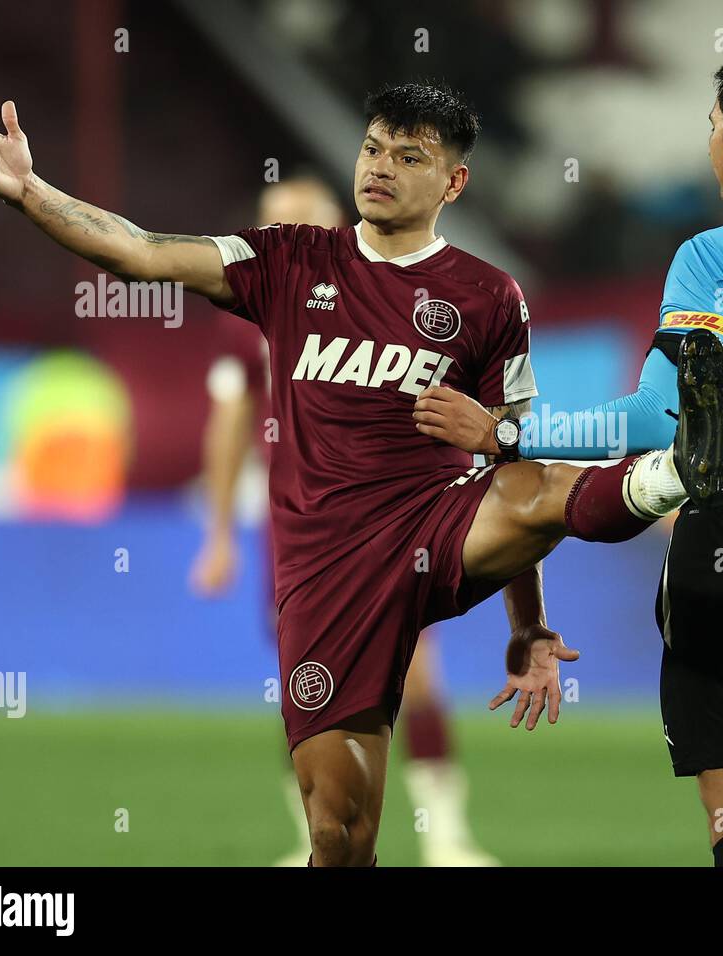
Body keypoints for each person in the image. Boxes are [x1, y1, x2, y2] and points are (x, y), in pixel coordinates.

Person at [0, 82, 723, 866]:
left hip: (436, 529)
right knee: (339, 829)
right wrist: (31, 192)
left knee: (528, 482)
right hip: (326, 570)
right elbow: (141, 250)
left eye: (409, 156)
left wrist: (526, 624)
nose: (381, 168)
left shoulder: (490, 296)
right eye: (372, 149)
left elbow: (515, 453)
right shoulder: (290, 260)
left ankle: (673, 470)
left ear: (454, 182)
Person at [414, 50, 723, 867]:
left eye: (716, 128)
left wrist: (506, 434)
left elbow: (656, 418)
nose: (712, 145)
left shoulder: (713, 259)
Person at [190, 175, 499, 867]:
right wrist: (217, 535)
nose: (283, 236)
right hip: (301, 527)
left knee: (415, 669)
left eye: (298, 222)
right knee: (307, 675)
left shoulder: (397, 302)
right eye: (272, 222)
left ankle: (445, 835)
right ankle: (311, 836)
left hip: (397, 518)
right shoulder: (249, 312)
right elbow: (228, 424)